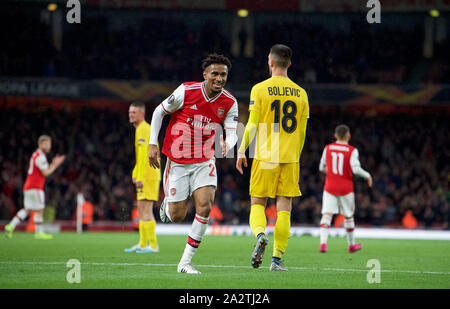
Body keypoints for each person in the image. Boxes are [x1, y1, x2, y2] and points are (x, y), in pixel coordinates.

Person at [148, 53, 238, 274]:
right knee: (177, 216)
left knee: (205, 206)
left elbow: (233, 131)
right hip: (177, 161)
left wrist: (229, 142)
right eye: (215, 73)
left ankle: (185, 263)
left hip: (204, 161)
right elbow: (159, 112)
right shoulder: (186, 91)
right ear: (205, 74)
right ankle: (169, 203)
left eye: (223, 74)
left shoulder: (229, 102)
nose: (219, 78)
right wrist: (152, 144)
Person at [236, 44, 309, 271]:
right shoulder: (301, 93)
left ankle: (260, 235)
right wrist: (295, 155)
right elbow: (303, 132)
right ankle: (276, 260)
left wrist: (241, 150)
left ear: (270, 62)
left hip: (266, 154)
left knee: (258, 203)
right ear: (290, 63)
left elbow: (252, 124)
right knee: (284, 207)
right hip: (290, 157)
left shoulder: (259, 89)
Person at [318, 124, 373, 253]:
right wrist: (368, 176)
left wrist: (332, 173)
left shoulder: (328, 148)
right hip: (346, 188)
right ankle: (351, 245)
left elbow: (321, 168)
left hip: (330, 186)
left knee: (327, 214)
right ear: (348, 136)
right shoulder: (352, 150)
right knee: (348, 216)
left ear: (335, 135)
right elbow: (355, 169)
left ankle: (323, 245)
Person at [4, 135, 65, 239]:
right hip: (35, 187)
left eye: (49, 144)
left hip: (29, 186)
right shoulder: (40, 157)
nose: (48, 146)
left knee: (28, 209)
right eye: (46, 144)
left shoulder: (35, 155)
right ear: (40, 144)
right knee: (40, 209)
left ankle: (10, 226)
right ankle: (39, 232)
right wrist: (54, 165)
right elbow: (46, 172)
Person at [124, 101, 161, 253]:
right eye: (130, 112)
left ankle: (153, 245)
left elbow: (150, 156)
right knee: (141, 209)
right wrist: (135, 173)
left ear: (142, 114)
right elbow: (140, 157)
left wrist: (140, 177)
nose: (130, 115)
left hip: (149, 175)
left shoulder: (145, 129)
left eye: (134, 112)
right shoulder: (140, 129)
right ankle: (142, 243)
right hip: (143, 175)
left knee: (146, 210)